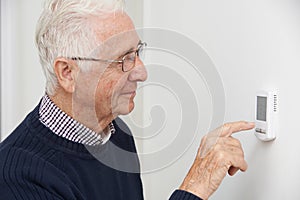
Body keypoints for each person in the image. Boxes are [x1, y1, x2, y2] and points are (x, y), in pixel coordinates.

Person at [0, 0, 255, 199]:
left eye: (137, 51)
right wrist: (195, 187)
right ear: (68, 73)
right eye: (123, 59)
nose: (142, 72)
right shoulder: (17, 178)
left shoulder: (118, 135)